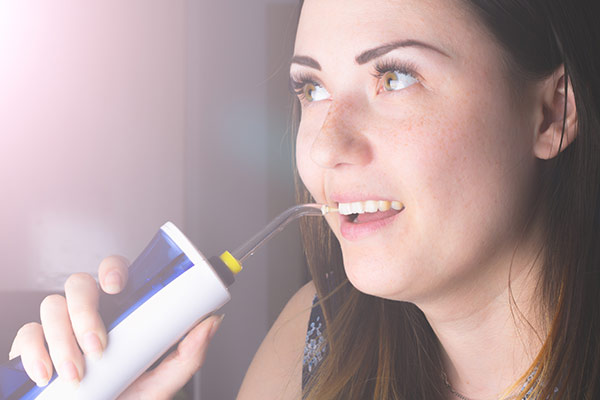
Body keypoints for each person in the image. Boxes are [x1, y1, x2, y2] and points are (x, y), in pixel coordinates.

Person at [9, 0, 600, 398]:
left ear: (551, 113)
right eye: (311, 88)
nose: (323, 149)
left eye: (395, 77)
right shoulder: (314, 339)